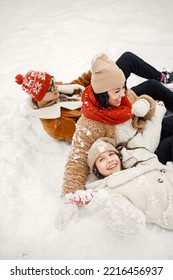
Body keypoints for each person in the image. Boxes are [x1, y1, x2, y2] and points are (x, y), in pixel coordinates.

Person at [56, 52, 169, 229]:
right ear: (102, 93)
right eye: (117, 91)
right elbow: (76, 161)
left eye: (123, 88)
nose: (123, 94)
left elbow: (143, 102)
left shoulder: (123, 96)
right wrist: (69, 199)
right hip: (143, 151)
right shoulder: (90, 125)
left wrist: (145, 105)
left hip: (147, 130)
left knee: (153, 88)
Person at [65, 137, 173, 237]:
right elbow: (132, 226)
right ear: (96, 170)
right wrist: (99, 201)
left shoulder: (134, 164)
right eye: (101, 159)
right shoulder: (111, 192)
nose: (110, 160)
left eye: (111, 154)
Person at [15, 70, 90, 142]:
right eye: (51, 87)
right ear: (39, 97)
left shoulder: (53, 92)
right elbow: (87, 135)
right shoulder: (57, 124)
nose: (56, 86)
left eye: (53, 81)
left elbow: (78, 85)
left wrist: (94, 72)